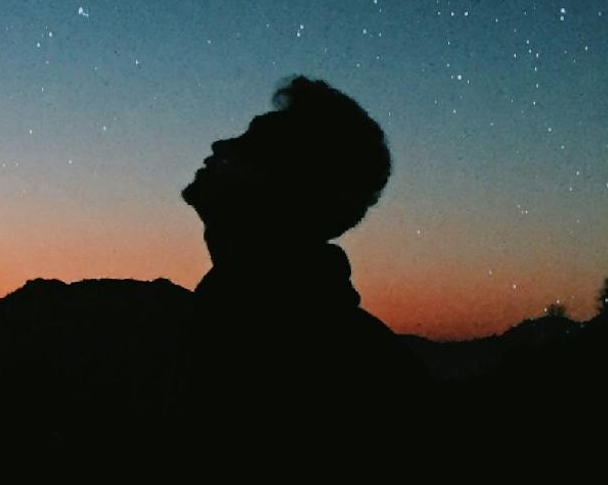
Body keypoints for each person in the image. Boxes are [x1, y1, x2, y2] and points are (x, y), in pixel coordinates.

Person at [176, 76, 425, 463]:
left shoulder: (338, 367)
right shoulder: (226, 318)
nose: (220, 144)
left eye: (251, 145)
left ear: (289, 185)